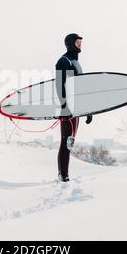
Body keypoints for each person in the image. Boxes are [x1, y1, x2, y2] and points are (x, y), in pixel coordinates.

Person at [55, 33, 93, 182]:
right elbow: (60, 85)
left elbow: (79, 89)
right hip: (67, 109)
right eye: (78, 42)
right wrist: (64, 106)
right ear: (71, 43)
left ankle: (64, 174)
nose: (80, 44)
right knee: (66, 141)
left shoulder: (76, 63)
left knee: (70, 142)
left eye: (81, 42)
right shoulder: (64, 61)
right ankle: (63, 175)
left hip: (76, 109)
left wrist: (87, 110)